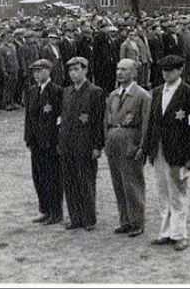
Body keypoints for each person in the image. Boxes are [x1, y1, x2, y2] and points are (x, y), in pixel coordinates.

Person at [142, 54, 190, 251]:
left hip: (178, 151)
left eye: (171, 70)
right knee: (162, 192)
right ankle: (165, 231)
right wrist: (148, 148)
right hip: (159, 149)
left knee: (178, 192)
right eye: (164, 70)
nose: (167, 74)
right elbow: (151, 122)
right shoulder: (157, 92)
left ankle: (179, 234)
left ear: (180, 70)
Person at [104, 58, 152, 238]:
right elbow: (106, 121)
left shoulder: (142, 96)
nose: (119, 73)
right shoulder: (114, 95)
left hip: (131, 142)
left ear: (133, 73)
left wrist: (142, 147)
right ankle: (124, 220)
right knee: (118, 183)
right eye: (117, 69)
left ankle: (137, 222)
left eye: (124, 70)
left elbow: (146, 124)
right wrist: (106, 142)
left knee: (132, 183)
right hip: (114, 143)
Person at [58, 57, 105, 231]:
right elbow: (64, 119)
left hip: (85, 144)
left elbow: (98, 121)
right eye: (70, 71)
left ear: (85, 70)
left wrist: (97, 146)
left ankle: (88, 218)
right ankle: (75, 217)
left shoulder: (95, 92)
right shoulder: (67, 92)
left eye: (77, 70)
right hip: (68, 144)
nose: (73, 74)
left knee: (85, 181)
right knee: (70, 182)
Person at [24, 59, 63, 225]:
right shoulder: (32, 91)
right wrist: (28, 137)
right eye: (34, 71)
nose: (37, 74)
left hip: (50, 141)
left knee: (52, 177)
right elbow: (28, 117)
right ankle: (44, 209)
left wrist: (56, 138)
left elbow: (61, 117)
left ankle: (55, 212)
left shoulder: (56, 91)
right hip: (36, 141)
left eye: (40, 71)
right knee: (38, 176)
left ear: (49, 71)